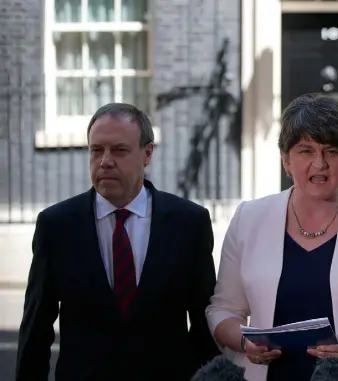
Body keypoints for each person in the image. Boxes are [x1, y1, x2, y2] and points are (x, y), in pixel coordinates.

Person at [205, 93, 338, 381]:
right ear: (286, 160)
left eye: (331, 151)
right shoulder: (249, 218)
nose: (319, 163)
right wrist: (243, 342)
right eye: (306, 151)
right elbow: (223, 310)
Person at [15, 103, 220, 381]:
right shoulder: (57, 226)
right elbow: (36, 329)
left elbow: (204, 326)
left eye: (119, 150)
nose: (105, 161)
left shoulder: (188, 223)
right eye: (96, 150)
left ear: (147, 153)